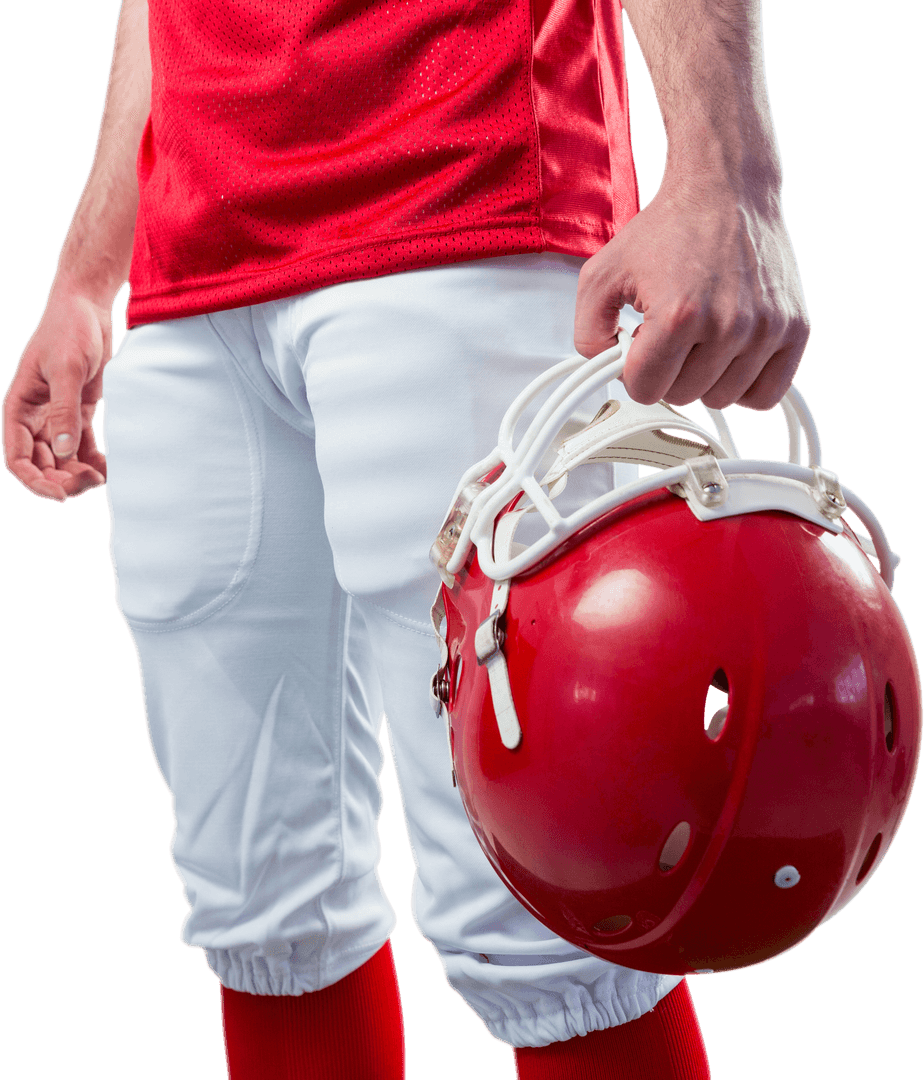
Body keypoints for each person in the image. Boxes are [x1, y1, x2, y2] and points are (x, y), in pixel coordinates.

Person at [2, 2, 811, 1077]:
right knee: (257, 906)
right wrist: (85, 278)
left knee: (559, 895)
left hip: (463, 193)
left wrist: (728, 170)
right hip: (192, 276)